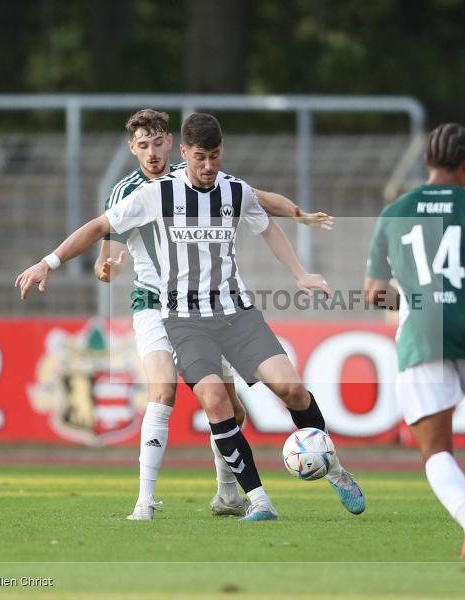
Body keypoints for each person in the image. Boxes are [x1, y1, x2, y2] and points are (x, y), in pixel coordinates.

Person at [17, 112, 365, 522]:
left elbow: (265, 222)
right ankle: (257, 500)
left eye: (214, 156)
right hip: (183, 318)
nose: (207, 166)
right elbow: (99, 228)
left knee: (292, 391)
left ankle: (337, 471)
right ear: (185, 152)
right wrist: (49, 262)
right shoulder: (154, 194)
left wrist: (300, 271)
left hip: (236, 313)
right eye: (200, 157)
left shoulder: (234, 189)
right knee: (215, 402)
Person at [97, 109, 335, 520]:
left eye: (157, 144)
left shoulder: (195, 172)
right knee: (164, 391)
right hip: (156, 302)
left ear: (172, 144)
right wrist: (109, 264)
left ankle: (228, 494)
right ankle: (144, 501)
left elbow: (255, 197)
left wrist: (299, 214)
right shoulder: (128, 192)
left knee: (232, 410)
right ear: (131, 148)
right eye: (142, 146)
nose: (152, 153)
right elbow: (109, 244)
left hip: (209, 305)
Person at [364, 123, 465, 559]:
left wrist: (414, 297)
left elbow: (374, 292)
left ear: (427, 164)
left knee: (436, 451)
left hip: (422, 335)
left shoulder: (394, 212)